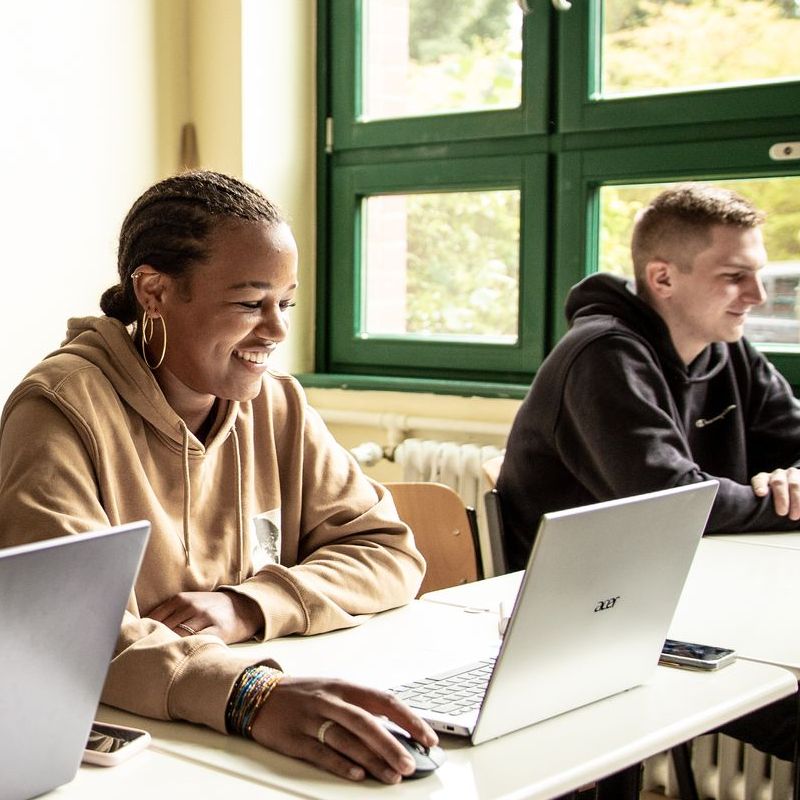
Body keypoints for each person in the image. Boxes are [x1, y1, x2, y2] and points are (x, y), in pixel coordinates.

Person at [0, 170, 436, 784]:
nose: (278, 329)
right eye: (248, 303)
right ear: (153, 290)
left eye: (285, 302)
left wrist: (248, 605)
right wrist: (249, 696)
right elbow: (65, 636)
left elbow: (386, 550)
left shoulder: (278, 404)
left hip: (228, 739)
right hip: (133, 762)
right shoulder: (59, 409)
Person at [498, 182, 799, 762]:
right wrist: (783, 500)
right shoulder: (602, 357)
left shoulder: (727, 350)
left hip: (703, 600)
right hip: (597, 628)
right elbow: (674, 502)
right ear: (662, 278)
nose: (758, 295)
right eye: (735, 276)